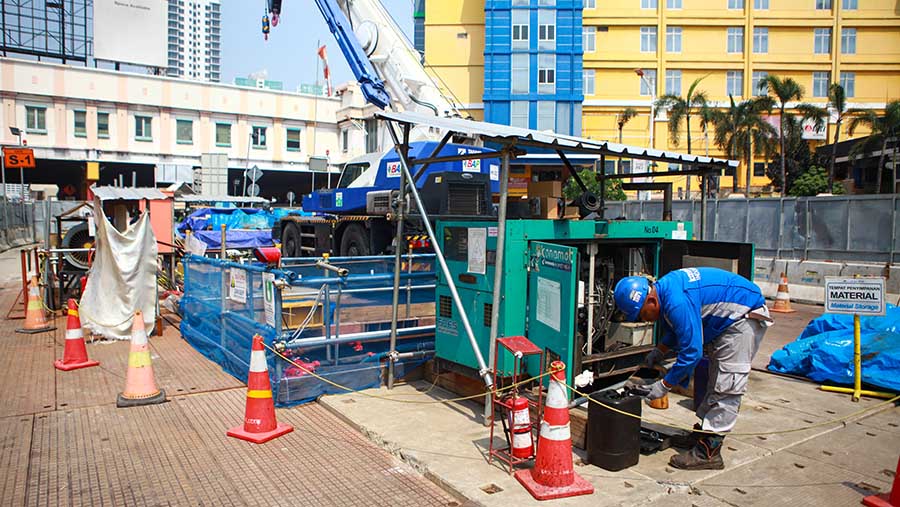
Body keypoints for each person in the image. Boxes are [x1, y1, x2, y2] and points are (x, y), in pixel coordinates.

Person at [614, 267, 772, 470]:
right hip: (730, 319)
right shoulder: (666, 291)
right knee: (715, 381)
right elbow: (678, 329)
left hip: (744, 318)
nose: (644, 320)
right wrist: (659, 351)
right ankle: (704, 435)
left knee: (727, 385)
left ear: (651, 301)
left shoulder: (676, 301)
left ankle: (709, 453)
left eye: (642, 315)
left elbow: (692, 352)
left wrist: (663, 386)